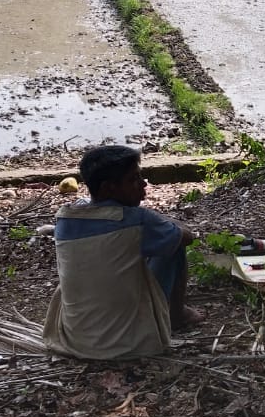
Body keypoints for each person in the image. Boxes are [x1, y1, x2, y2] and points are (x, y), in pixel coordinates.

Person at [42, 145, 201, 360]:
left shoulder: (65, 217)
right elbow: (187, 236)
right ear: (108, 188)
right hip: (133, 343)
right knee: (173, 245)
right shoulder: (138, 220)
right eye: (134, 179)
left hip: (76, 341)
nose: (143, 184)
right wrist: (154, 218)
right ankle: (177, 315)